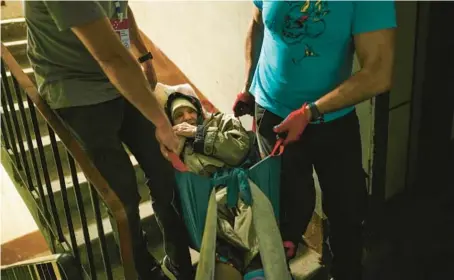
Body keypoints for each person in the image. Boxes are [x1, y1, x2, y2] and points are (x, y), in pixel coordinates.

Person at [25, 1, 193, 279]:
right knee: (122, 194)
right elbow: (111, 57)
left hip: (120, 81)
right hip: (78, 92)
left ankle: (179, 262)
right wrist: (161, 121)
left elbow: (119, 9)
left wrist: (143, 54)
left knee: (165, 171)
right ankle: (143, 270)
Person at [233, 1, 396, 279]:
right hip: (272, 114)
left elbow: (379, 73)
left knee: (347, 212)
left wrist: (310, 112)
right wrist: (249, 87)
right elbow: (258, 24)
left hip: (332, 120)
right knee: (281, 211)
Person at [165, 92, 269, 280]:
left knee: (252, 231)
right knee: (222, 249)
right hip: (209, 207)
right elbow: (179, 181)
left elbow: (238, 150)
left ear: (198, 110)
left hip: (241, 191)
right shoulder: (178, 145)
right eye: (179, 115)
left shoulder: (223, 121)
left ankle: (255, 269)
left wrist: (198, 133)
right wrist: (177, 145)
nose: (187, 117)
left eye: (190, 111)